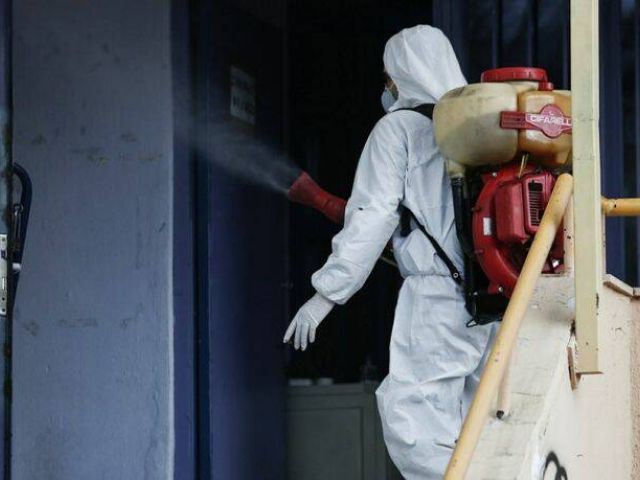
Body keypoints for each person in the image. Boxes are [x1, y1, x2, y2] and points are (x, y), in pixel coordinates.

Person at [283, 25, 497, 479]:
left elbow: (373, 219)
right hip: (493, 298)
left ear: (404, 73)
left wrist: (325, 296)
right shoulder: (480, 132)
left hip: (438, 301)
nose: (388, 87)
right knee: (481, 425)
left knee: (413, 420)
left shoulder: (398, 129)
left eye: (389, 76)